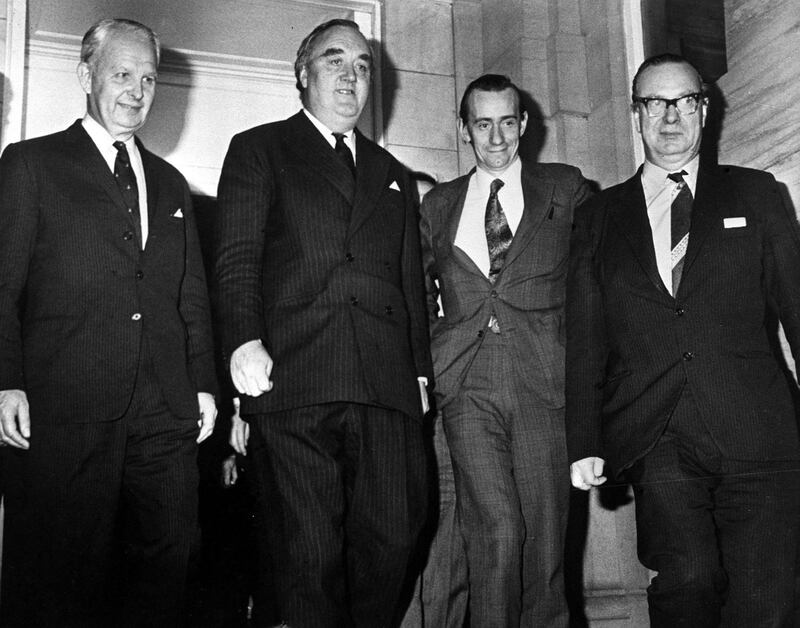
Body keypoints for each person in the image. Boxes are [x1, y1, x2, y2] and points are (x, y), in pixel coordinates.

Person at [566, 53, 800, 627]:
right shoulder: (598, 216)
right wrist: (583, 439)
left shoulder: (758, 194)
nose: (669, 116)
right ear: (634, 115)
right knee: (687, 577)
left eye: (683, 101)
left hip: (758, 427)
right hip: (657, 430)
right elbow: (585, 336)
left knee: (767, 599)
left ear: (704, 109)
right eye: (653, 103)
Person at [213, 18, 433, 628]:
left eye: (363, 66)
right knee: (308, 555)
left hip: (385, 385)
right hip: (297, 379)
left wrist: (418, 373)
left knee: (395, 537)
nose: (351, 76)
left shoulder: (393, 173)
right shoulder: (260, 149)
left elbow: (408, 281)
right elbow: (236, 259)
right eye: (335, 61)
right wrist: (242, 341)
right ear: (302, 74)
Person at [0, 18, 218, 628]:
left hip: (162, 410)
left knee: (172, 563)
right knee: (61, 579)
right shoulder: (31, 164)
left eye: (148, 77)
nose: (137, 90)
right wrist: (4, 380)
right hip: (64, 408)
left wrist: (203, 383)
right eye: (122, 74)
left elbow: (190, 295)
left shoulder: (173, 185)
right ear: (85, 76)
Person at [418, 74, 591, 627]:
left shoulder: (565, 188)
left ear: (524, 125)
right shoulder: (438, 204)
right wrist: (428, 358)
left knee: (543, 539)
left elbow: (597, 277)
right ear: (464, 129)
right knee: (494, 530)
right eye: (482, 124)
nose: (496, 137)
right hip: (466, 381)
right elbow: (414, 290)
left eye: (507, 122)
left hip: (544, 377)